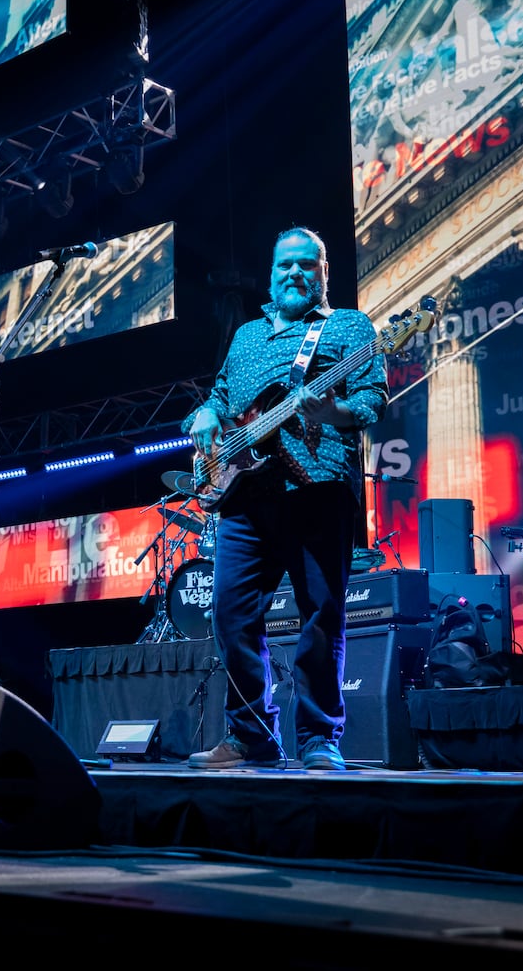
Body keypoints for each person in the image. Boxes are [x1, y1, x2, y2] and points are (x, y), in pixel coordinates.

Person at [181, 226, 388, 770]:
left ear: (324, 274)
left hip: (316, 488)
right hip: (245, 496)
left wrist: (332, 412)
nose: (294, 273)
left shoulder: (349, 328)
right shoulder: (248, 335)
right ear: (271, 276)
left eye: (306, 265)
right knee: (230, 617)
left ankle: (320, 738)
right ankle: (252, 736)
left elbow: (370, 401)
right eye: (283, 266)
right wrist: (205, 414)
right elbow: (223, 399)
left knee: (320, 615)